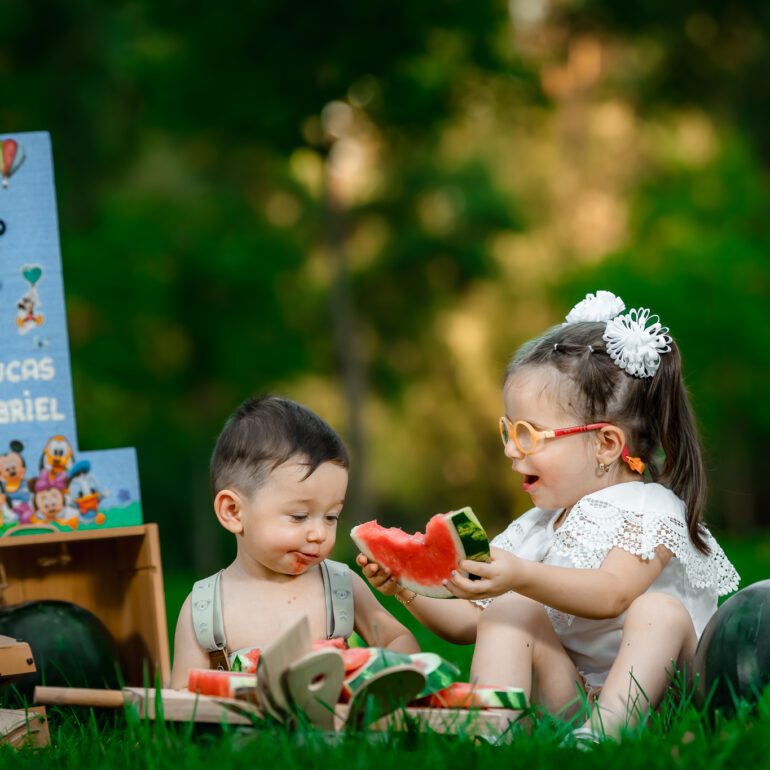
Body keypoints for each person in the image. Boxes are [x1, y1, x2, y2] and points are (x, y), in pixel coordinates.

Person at [358, 290, 739, 741]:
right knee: (509, 608)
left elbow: (613, 594)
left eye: (528, 434)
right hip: (573, 697)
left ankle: (604, 738)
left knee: (660, 609)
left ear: (606, 445)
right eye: (508, 429)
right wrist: (405, 586)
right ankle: (487, 735)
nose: (509, 448)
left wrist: (520, 575)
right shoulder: (535, 529)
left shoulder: (652, 508)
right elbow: (467, 623)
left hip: (658, 703)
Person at [171, 395, 418, 688]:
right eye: (299, 516)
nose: (319, 533)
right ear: (233, 512)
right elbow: (182, 698)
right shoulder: (204, 608)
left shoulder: (340, 585)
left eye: (331, 517)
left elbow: (397, 638)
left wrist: (387, 677)